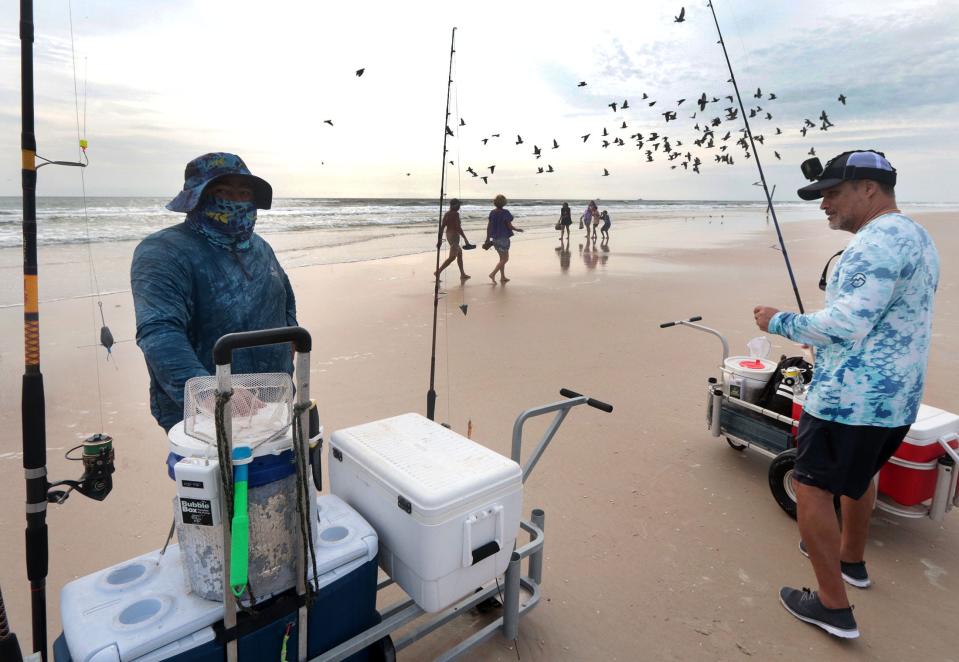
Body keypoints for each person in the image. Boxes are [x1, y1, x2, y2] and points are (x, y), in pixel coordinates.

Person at [753, 150, 939, 639]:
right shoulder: (916, 235)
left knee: (813, 489)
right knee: (858, 479)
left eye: (832, 193)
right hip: (894, 401)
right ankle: (852, 561)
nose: (824, 205)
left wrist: (780, 321)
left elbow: (847, 324)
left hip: (847, 402)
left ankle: (833, 607)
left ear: (869, 189)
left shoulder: (875, 244)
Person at [131, 152, 297, 464]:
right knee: (214, 505)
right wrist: (214, 397)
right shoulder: (162, 251)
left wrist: (290, 346)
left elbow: (285, 297)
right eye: (222, 192)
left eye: (244, 193)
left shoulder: (261, 247)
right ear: (197, 197)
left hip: (274, 408)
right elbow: (159, 332)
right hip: (204, 422)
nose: (236, 200)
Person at [485, 194, 523, 284]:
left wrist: (487, 238)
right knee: (505, 259)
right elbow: (509, 226)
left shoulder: (492, 212)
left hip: (494, 239)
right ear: (504, 203)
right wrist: (517, 229)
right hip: (503, 238)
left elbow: (489, 226)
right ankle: (493, 273)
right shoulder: (505, 212)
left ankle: (502, 277)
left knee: (501, 259)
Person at [435, 198, 471, 280]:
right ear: (455, 205)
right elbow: (458, 227)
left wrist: (439, 239)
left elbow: (442, 227)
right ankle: (438, 272)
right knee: (452, 257)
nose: (459, 206)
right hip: (454, 235)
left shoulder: (447, 214)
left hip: (449, 235)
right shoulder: (456, 214)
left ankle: (462, 274)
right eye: (459, 205)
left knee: (459, 254)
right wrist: (465, 238)